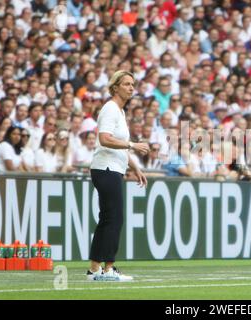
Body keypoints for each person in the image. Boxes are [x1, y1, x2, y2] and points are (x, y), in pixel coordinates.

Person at [88, 70, 149, 281]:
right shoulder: (111, 109)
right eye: (126, 84)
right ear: (115, 87)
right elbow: (105, 139)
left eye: (133, 84)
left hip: (111, 168)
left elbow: (119, 147)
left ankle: (95, 269)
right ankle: (108, 269)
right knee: (114, 218)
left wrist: (135, 167)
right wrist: (133, 144)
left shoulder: (120, 112)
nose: (131, 87)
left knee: (107, 219)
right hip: (106, 168)